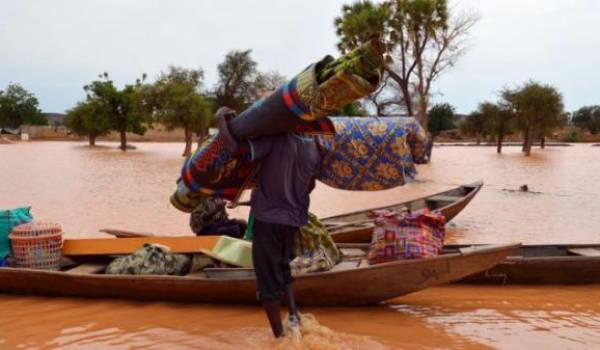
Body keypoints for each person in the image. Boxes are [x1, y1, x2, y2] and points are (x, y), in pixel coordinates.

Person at [216, 107, 321, 338]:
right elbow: (311, 185)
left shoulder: (274, 140)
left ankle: (280, 339)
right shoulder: (311, 147)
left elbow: (235, 149)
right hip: (293, 221)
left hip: (268, 220)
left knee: (267, 284)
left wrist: (220, 122)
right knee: (283, 266)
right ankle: (294, 317)